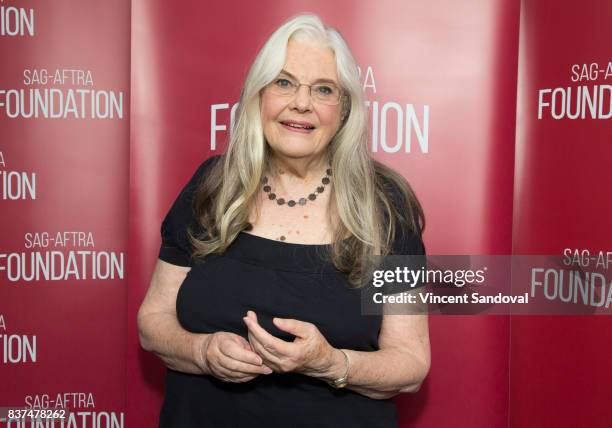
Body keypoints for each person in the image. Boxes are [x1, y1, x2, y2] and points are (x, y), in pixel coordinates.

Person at [137, 13, 430, 428]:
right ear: (259, 95)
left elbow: (412, 363)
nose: (302, 103)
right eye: (284, 82)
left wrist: (329, 363)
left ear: (344, 108)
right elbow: (152, 323)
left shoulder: (385, 204)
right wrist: (202, 352)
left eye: (324, 89)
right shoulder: (212, 187)